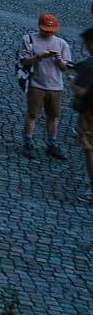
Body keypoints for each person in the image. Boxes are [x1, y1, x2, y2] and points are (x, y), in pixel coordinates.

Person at [20, 13, 75, 161]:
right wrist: (40, 57)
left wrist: (59, 60)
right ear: (39, 27)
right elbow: (24, 61)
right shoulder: (29, 40)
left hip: (56, 86)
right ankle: (28, 142)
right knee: (32, 114)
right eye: (45, 30)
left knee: (53, 117)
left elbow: (66, 68)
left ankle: (52, 144)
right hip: (36, 84)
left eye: (51, 31)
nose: (48, 33)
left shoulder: (62, 44)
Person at [71, 26, 93, 205]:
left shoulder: (89, 65)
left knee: (90, 149)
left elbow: (81, 91)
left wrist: (74, 82)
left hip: (89, 113)